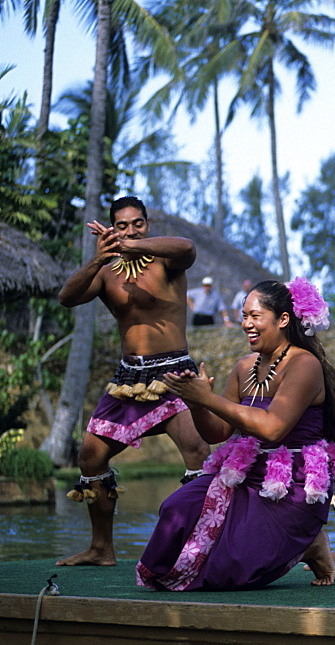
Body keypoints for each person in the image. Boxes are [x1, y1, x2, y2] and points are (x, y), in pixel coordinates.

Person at [137, 278, 335, 590]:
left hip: (290, 484)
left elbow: (273, 427)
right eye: (244, 316)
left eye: (255, 316)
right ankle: (302, 543)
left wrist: (208, 399)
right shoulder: (244, 367)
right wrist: (196, 402)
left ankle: (310, 543)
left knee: (232, 566)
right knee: (176, 509)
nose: (247, 324)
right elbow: (218, 432)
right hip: (246, 473)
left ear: (283, 320)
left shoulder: (304, 364)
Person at [56, 196, 211, 567]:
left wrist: (131, 245)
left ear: (147, 223)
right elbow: (67, 298)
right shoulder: (107, 273)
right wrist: (98, 258)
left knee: (197, 451)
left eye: (137, 223)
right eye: (121, 225)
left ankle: (200, 549)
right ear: (111, 227)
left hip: (174, 373)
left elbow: (188, 247)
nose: (129, 230)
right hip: (129, 377)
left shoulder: (167, 262)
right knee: (90, 456)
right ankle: (101, 549)